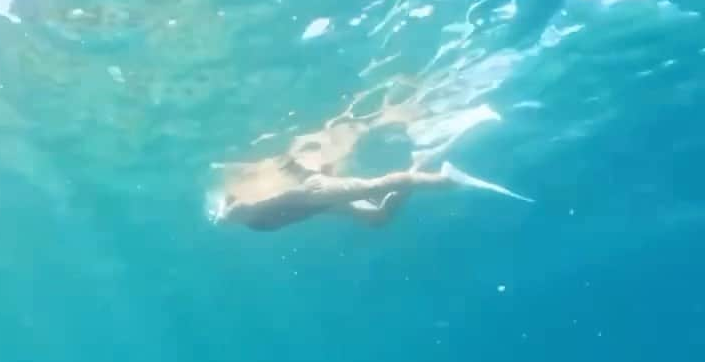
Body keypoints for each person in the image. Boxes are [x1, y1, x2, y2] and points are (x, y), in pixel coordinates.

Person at [208, 88, 531, 232]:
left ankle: (444, 179)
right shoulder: (252, 212)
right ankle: (419, 165)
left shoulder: (246, 208)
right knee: (376, 219)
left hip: (315, 193)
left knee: (377, 186)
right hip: (316, 202)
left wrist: (221, 213)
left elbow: (234, 209)